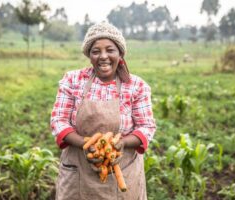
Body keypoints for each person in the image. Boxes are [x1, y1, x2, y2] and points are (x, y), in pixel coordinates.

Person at [50, 21, 156, 200]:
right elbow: (59, 121)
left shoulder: (136, 86)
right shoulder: (73, 80)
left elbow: (146, 127)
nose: (103, 56)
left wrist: (120, 143)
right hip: (78, 171)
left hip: (123, 171)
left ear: (120, 54)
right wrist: (86, 144)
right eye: (96, 51)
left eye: (110, 50)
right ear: (89, 55)